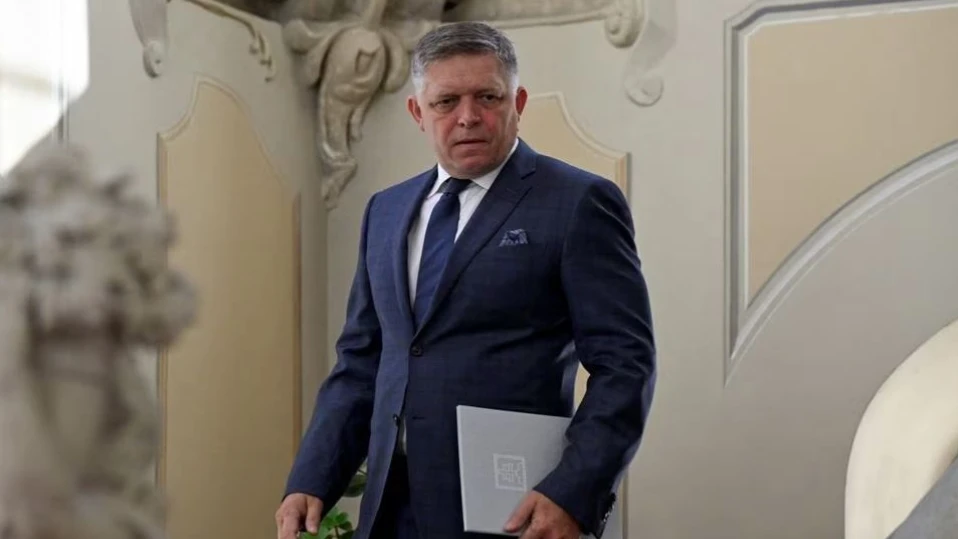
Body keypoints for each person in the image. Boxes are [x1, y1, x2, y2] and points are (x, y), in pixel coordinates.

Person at [275, 21, 656, 539]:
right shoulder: (385, 211)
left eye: (488, 97)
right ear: (418, 112)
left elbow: (626, 365)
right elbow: (361, 362)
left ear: (517, 102)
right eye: (446, 101)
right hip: (389, 509)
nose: (468, 116)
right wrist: (312, 478)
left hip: (513, 509)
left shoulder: (578, 202)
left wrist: (573, 490)